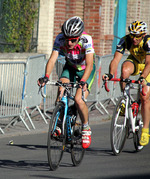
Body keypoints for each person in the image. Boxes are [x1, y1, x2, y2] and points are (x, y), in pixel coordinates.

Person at [38, 16, 96, 149]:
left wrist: (82, 81)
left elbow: (89, 64)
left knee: (78, 100)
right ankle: (59, 123)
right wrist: (46, 76)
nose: (69, 43)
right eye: (67, 39)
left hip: (85, 70)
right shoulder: (59, 39)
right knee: (61, 89)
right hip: (70, 67)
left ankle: (86, 128)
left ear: (79, 37)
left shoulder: (86, 39)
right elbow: (53, 59)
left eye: (73, 40)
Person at [102, 20, 150, 146]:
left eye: (137, 36)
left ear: (143, 35)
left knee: (145, 97)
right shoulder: (125, 40)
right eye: (132, 35)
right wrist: (111, 74)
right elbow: (115, 60)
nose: (134, 39)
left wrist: (143, 77)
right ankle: (125, 98)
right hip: (134, 61)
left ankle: (145, 129)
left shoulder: (148, 42)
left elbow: (149, 63)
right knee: (124, 70)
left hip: (147, 66)